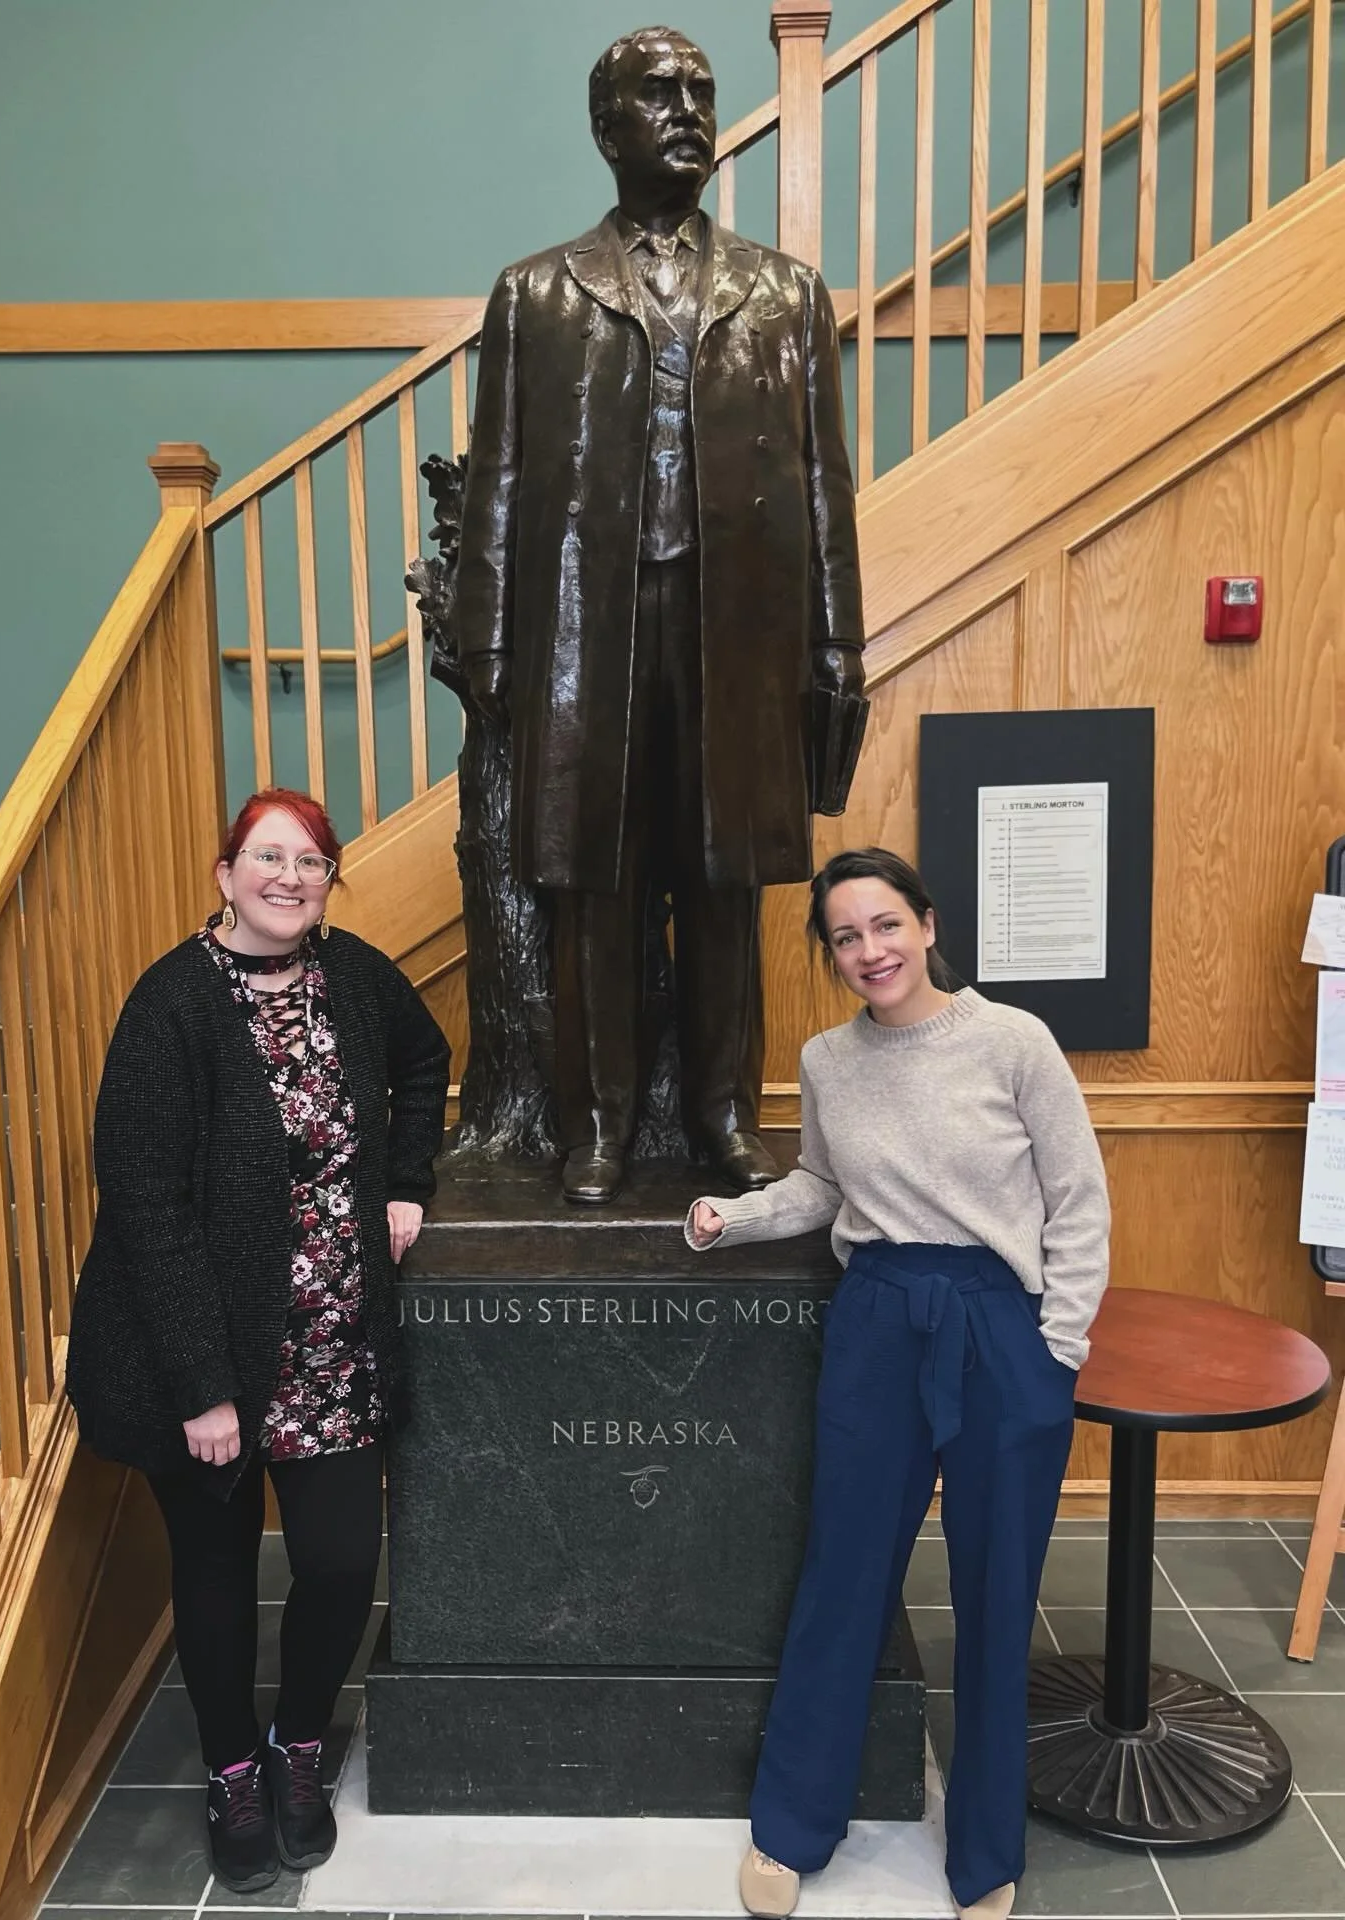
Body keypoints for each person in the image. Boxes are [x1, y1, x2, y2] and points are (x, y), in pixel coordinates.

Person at [455, 24, 865, 1203]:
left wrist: (836, 641)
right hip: (588, 630)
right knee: (592, 888)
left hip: (740, 638)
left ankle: (726, 1117)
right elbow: (498, 482)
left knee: (727, 881)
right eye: (657, 93)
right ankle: (596, 1126)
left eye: (700, 91)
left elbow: (825, 483)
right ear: (606, 129)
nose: (687, 109)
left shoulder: (785, 295)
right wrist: (484, 636)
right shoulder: (537, 293)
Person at [685, 849, 1110, 1920]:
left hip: (999, 1329)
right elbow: (823, 1183)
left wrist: (1057, 1348)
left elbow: (1079, 1201)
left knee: (996, 1592)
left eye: (885, 925)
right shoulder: (829, 1059)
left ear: (926, 924)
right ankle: (791, 1828)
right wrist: (731, 1218)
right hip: (875, 1317)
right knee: (845, 1575)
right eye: (844, 937)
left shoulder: (1014, 1042)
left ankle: (985, 1853)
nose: (869, 950)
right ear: (831, 955)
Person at [66, 787, 450, 1896]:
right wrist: (203, 1387)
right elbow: (146, 1202)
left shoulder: (359, 976)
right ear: (226, 874)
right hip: (202, 1354)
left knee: (336, 1561)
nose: (291, 877)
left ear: (331, 882)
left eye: (313, 862)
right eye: (268, 858)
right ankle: (232, 1771)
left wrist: (406, 1183)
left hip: (333, 1341)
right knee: (218, 1572)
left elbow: (423, 1066)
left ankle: (297, 1750)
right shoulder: (171, 1004)